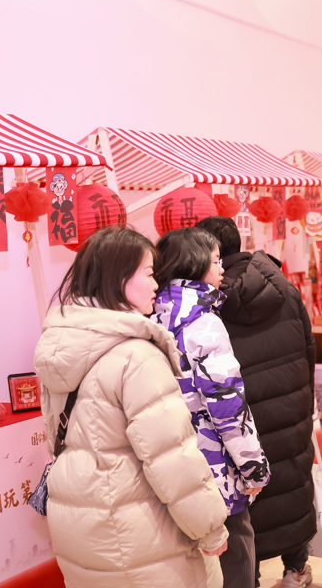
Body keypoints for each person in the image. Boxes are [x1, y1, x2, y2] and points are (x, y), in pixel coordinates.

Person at [34, 226, 229, 588]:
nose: (156, 284)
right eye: (149, 273)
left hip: (80, 522)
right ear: (120, 278)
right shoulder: (136, 356)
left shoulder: (62, 345)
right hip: (138, 531)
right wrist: (210, 528)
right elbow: (172, 457)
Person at [195, 216, 317, 588]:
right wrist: (304, 396)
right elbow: (308, 346)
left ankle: (254, 577)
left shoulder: (207, 303)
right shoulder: (281, 284)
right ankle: (297, 568)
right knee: (293, 482)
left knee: (252, 495)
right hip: (289, 403)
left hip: (242, 417)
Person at [151, 227, 271, 588]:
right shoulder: (203, 323)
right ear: (197, 264)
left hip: (170, 465)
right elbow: (227, 407)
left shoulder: (151, 316)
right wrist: (254, 469)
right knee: (236, 559)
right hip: (214, 468)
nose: (221, 269)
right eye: (216, 261)